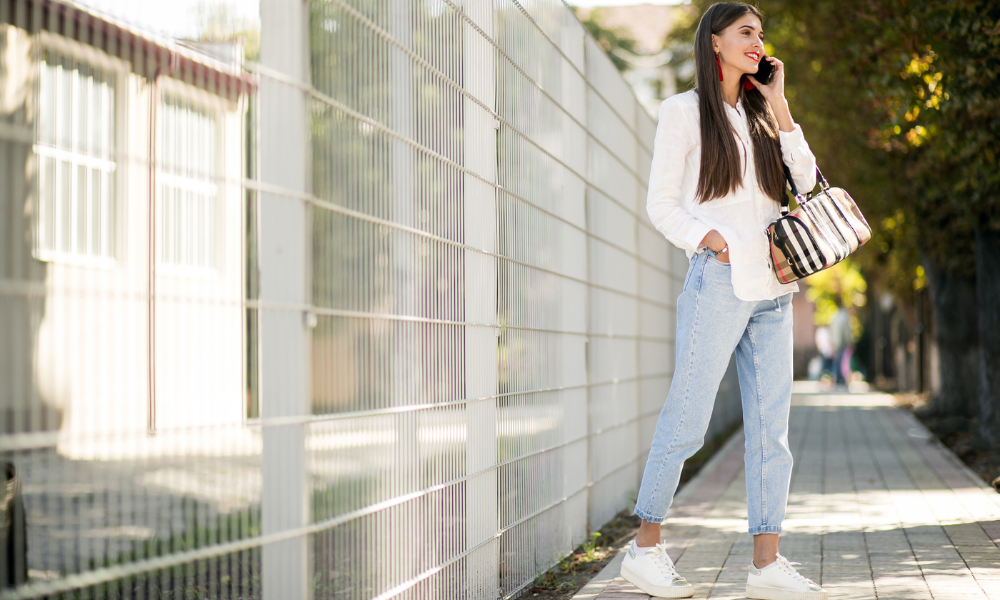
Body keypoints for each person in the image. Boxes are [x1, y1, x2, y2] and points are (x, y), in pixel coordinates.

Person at [619, 3, 827, 599]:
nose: (758, 42)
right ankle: (646, 551)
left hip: (774, 290)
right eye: (746, 32)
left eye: (761, 34)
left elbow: (808, 184)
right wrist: (712, 240)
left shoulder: (764, 116)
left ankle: (765, 566)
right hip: (718, 284)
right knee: (688, 417)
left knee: (771, 432)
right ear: (714, 42)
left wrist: (781, 104)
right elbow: (662, 204)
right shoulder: (682, 113)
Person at [828, 297, 853, 387]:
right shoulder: (844, 317)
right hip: (841, 342)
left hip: (835, 342)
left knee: (837, 361)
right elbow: (847, 331)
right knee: (843, 361)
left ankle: (836, 378)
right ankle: (840, 378)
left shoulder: (834, 317)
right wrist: (849, 341)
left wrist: (831, 343)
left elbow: (830, 331)